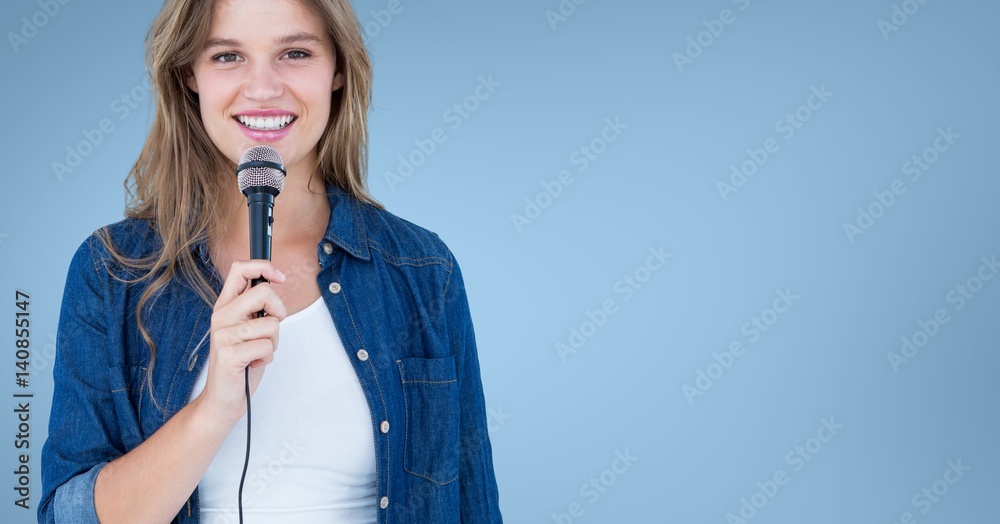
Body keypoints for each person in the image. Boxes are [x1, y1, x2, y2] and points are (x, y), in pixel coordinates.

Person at [38, 0, 503, 522]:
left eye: (295, 53)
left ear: (338, 71)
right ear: (189, 74)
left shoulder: (422, 270)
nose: (262, 89)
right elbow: (66, 515)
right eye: (227, 56)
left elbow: (473, 503)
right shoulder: (112, 272)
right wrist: (214, 407)